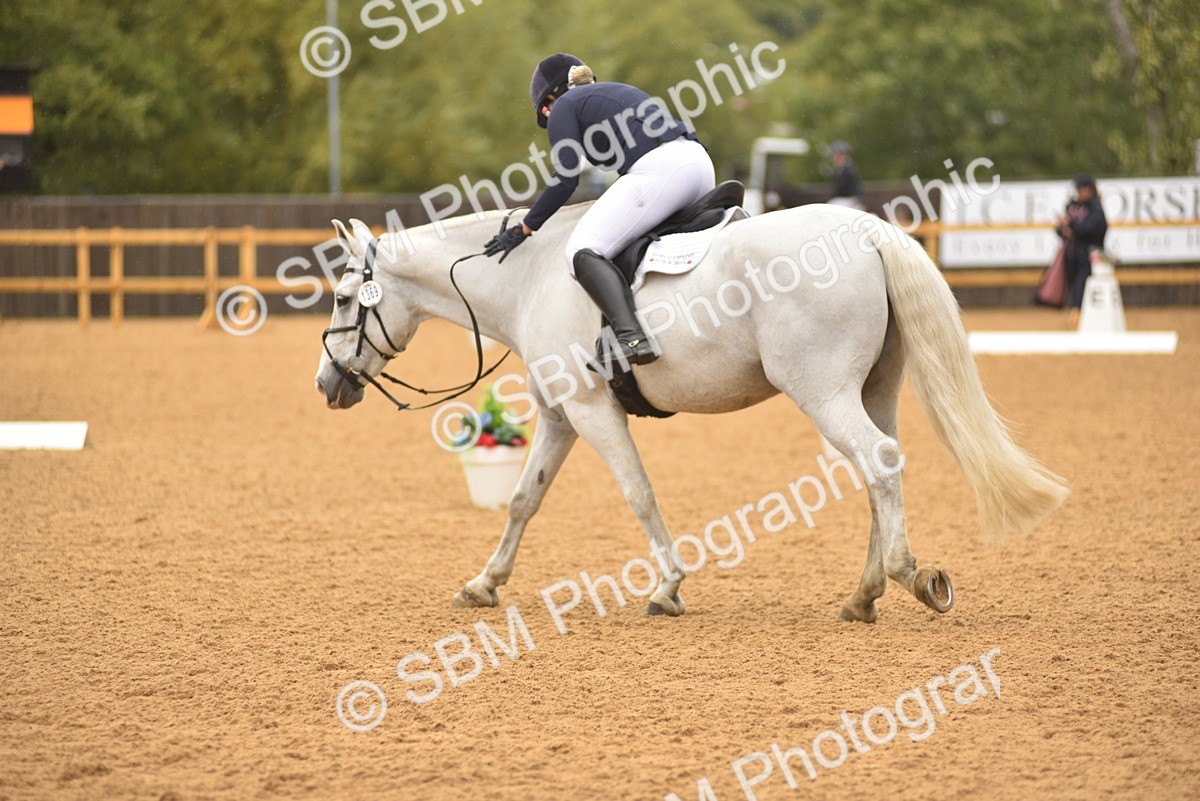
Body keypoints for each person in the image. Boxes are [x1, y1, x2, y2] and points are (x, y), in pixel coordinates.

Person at [483, 53, 716, 368]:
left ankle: (631, 336)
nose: (551, 116)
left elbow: (565, 181)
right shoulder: (611, 93)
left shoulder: (566, 104)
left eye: (546, 110)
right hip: (700, 164)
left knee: (581, 249)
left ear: (551, 97)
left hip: (663, 169)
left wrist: (525, 227)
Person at [1056, 174, 1108, 309]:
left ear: (1088, 189)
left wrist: (1071, 224)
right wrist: (1064, 229)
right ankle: (1077, 312)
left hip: (1089, 255)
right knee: (1076, 286)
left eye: (1079, 189)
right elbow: (1064, 230)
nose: (1077, 193)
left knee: (1083, 286)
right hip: (1075, 254)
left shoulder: (1095, 208)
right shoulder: (1076, 206)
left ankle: (1079, 314)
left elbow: (1089, 229)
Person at [828, 140, 864, 209]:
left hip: (851, 199)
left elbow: (843, 189)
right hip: (845, 199)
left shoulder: (848, 169)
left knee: (832, 206)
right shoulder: (839, 169)